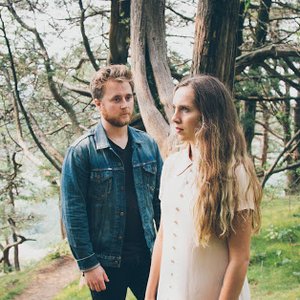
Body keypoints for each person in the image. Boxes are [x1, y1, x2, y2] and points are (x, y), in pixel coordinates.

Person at [145, 75, 262, 300]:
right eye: (174, 109)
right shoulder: (171, 165)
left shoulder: (235, 172)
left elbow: (240, 258)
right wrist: (150, 295)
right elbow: (163, 235)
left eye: (185, 110)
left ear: (209, 116)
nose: (174, 118)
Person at [61, 64, 163, 300]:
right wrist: (88, 265)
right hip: (105, 266)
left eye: (128, 97)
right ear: (98, 104)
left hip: (149, 257)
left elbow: (162, 202)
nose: (125, 104)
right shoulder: (81, 152)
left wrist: (167, 250)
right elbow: (73, 213)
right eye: (116, 99)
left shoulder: (148, 145)